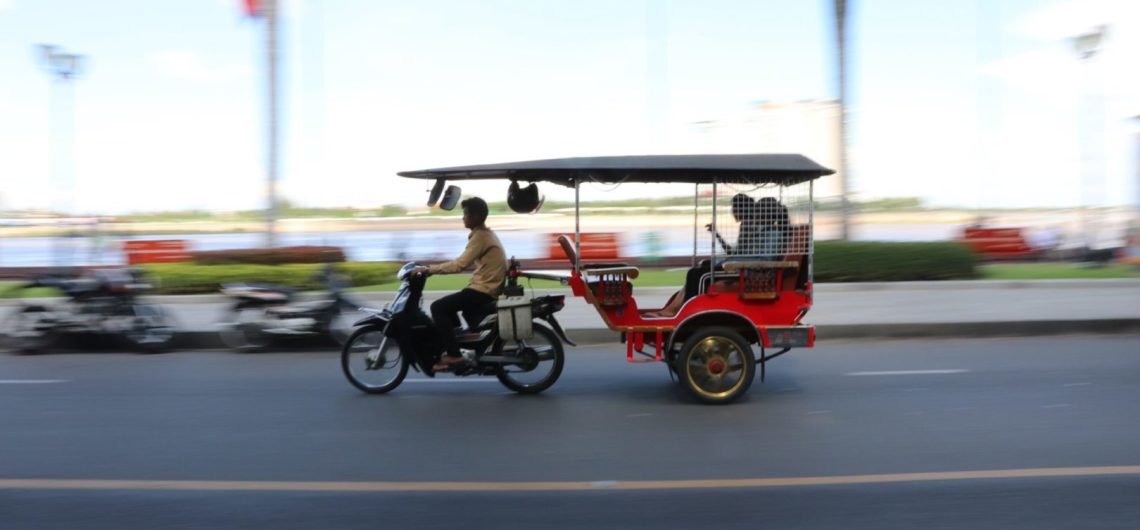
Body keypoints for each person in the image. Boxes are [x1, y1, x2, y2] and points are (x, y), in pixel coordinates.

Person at [410, 197, 507, 371]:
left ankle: (454, 355)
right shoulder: (484, 234)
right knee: (450, 306)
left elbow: (459, 264)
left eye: (466, 214)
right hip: (484, 287)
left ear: (477, 216)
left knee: (439, 307)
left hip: (484, 290)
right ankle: (458, 346)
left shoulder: (481, 236)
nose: (463, 217)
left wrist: (428, 270)